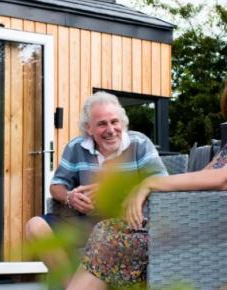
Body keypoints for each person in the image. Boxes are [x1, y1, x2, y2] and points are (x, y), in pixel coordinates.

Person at [26, 50, 227, 290]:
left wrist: (149, 183)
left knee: (111, 237)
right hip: (204, 227)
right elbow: (206, 176)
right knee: (108, 232)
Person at [24, 91, 167, 271]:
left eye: (115, 122)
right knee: (35, 226)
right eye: (102, 124)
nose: (110, 130)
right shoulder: (76, 147)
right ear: (88, 128)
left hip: (129, 224)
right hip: (86, 223)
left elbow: (162, 181)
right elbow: (56, 186)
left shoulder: (139, 143)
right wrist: (69, 197)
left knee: (106, 234)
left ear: (122, 123)